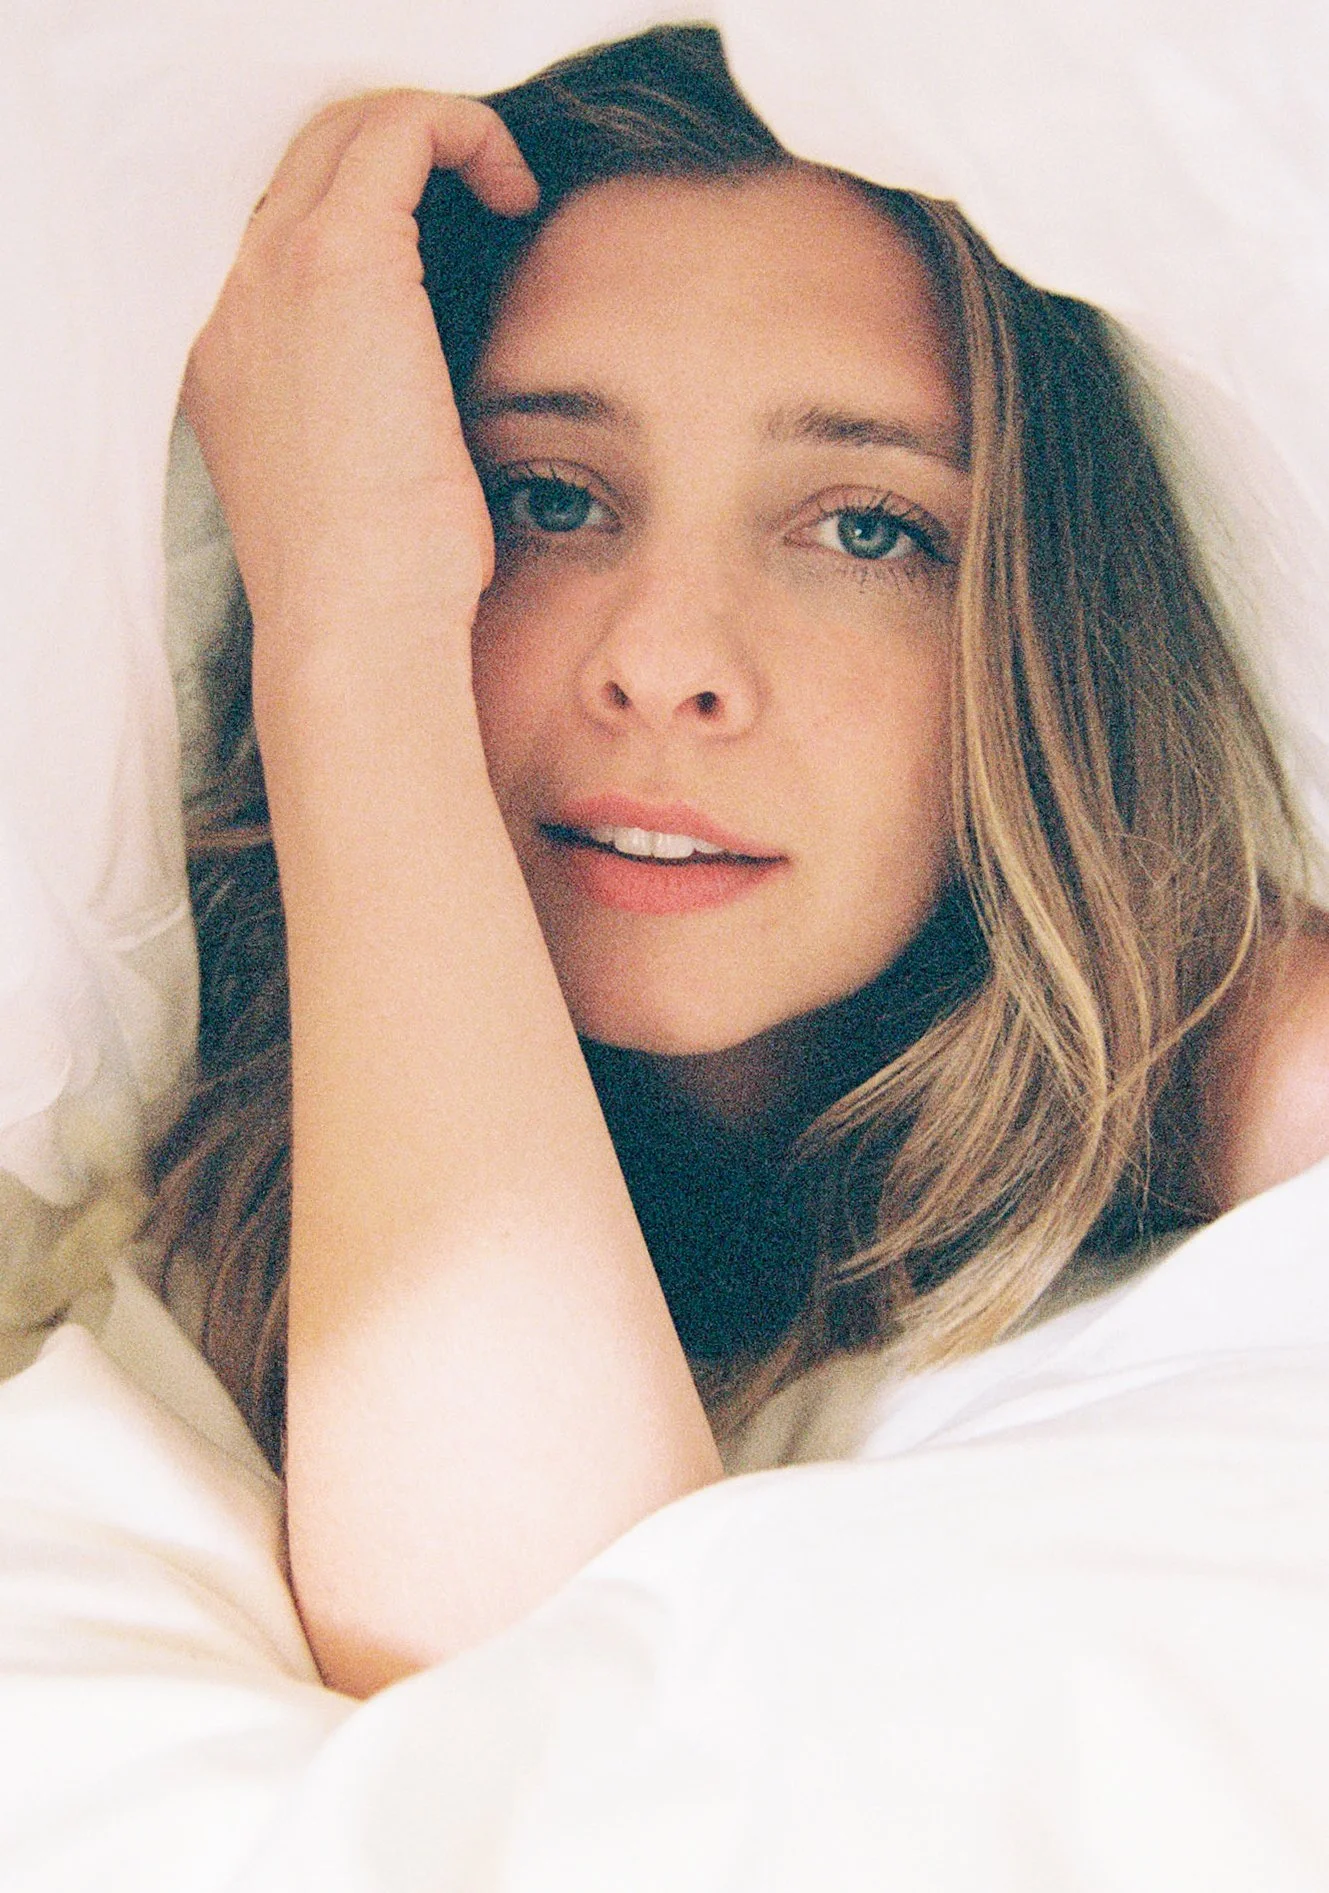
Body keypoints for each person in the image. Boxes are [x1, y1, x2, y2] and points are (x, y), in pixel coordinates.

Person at [154, 25, 1329, 1697]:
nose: (666, 664)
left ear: (1036, 633)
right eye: (547, 499)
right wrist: (348, 626)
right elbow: (526, 1706)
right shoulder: (133, 1123)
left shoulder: (1195, 1023)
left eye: (865, 528)